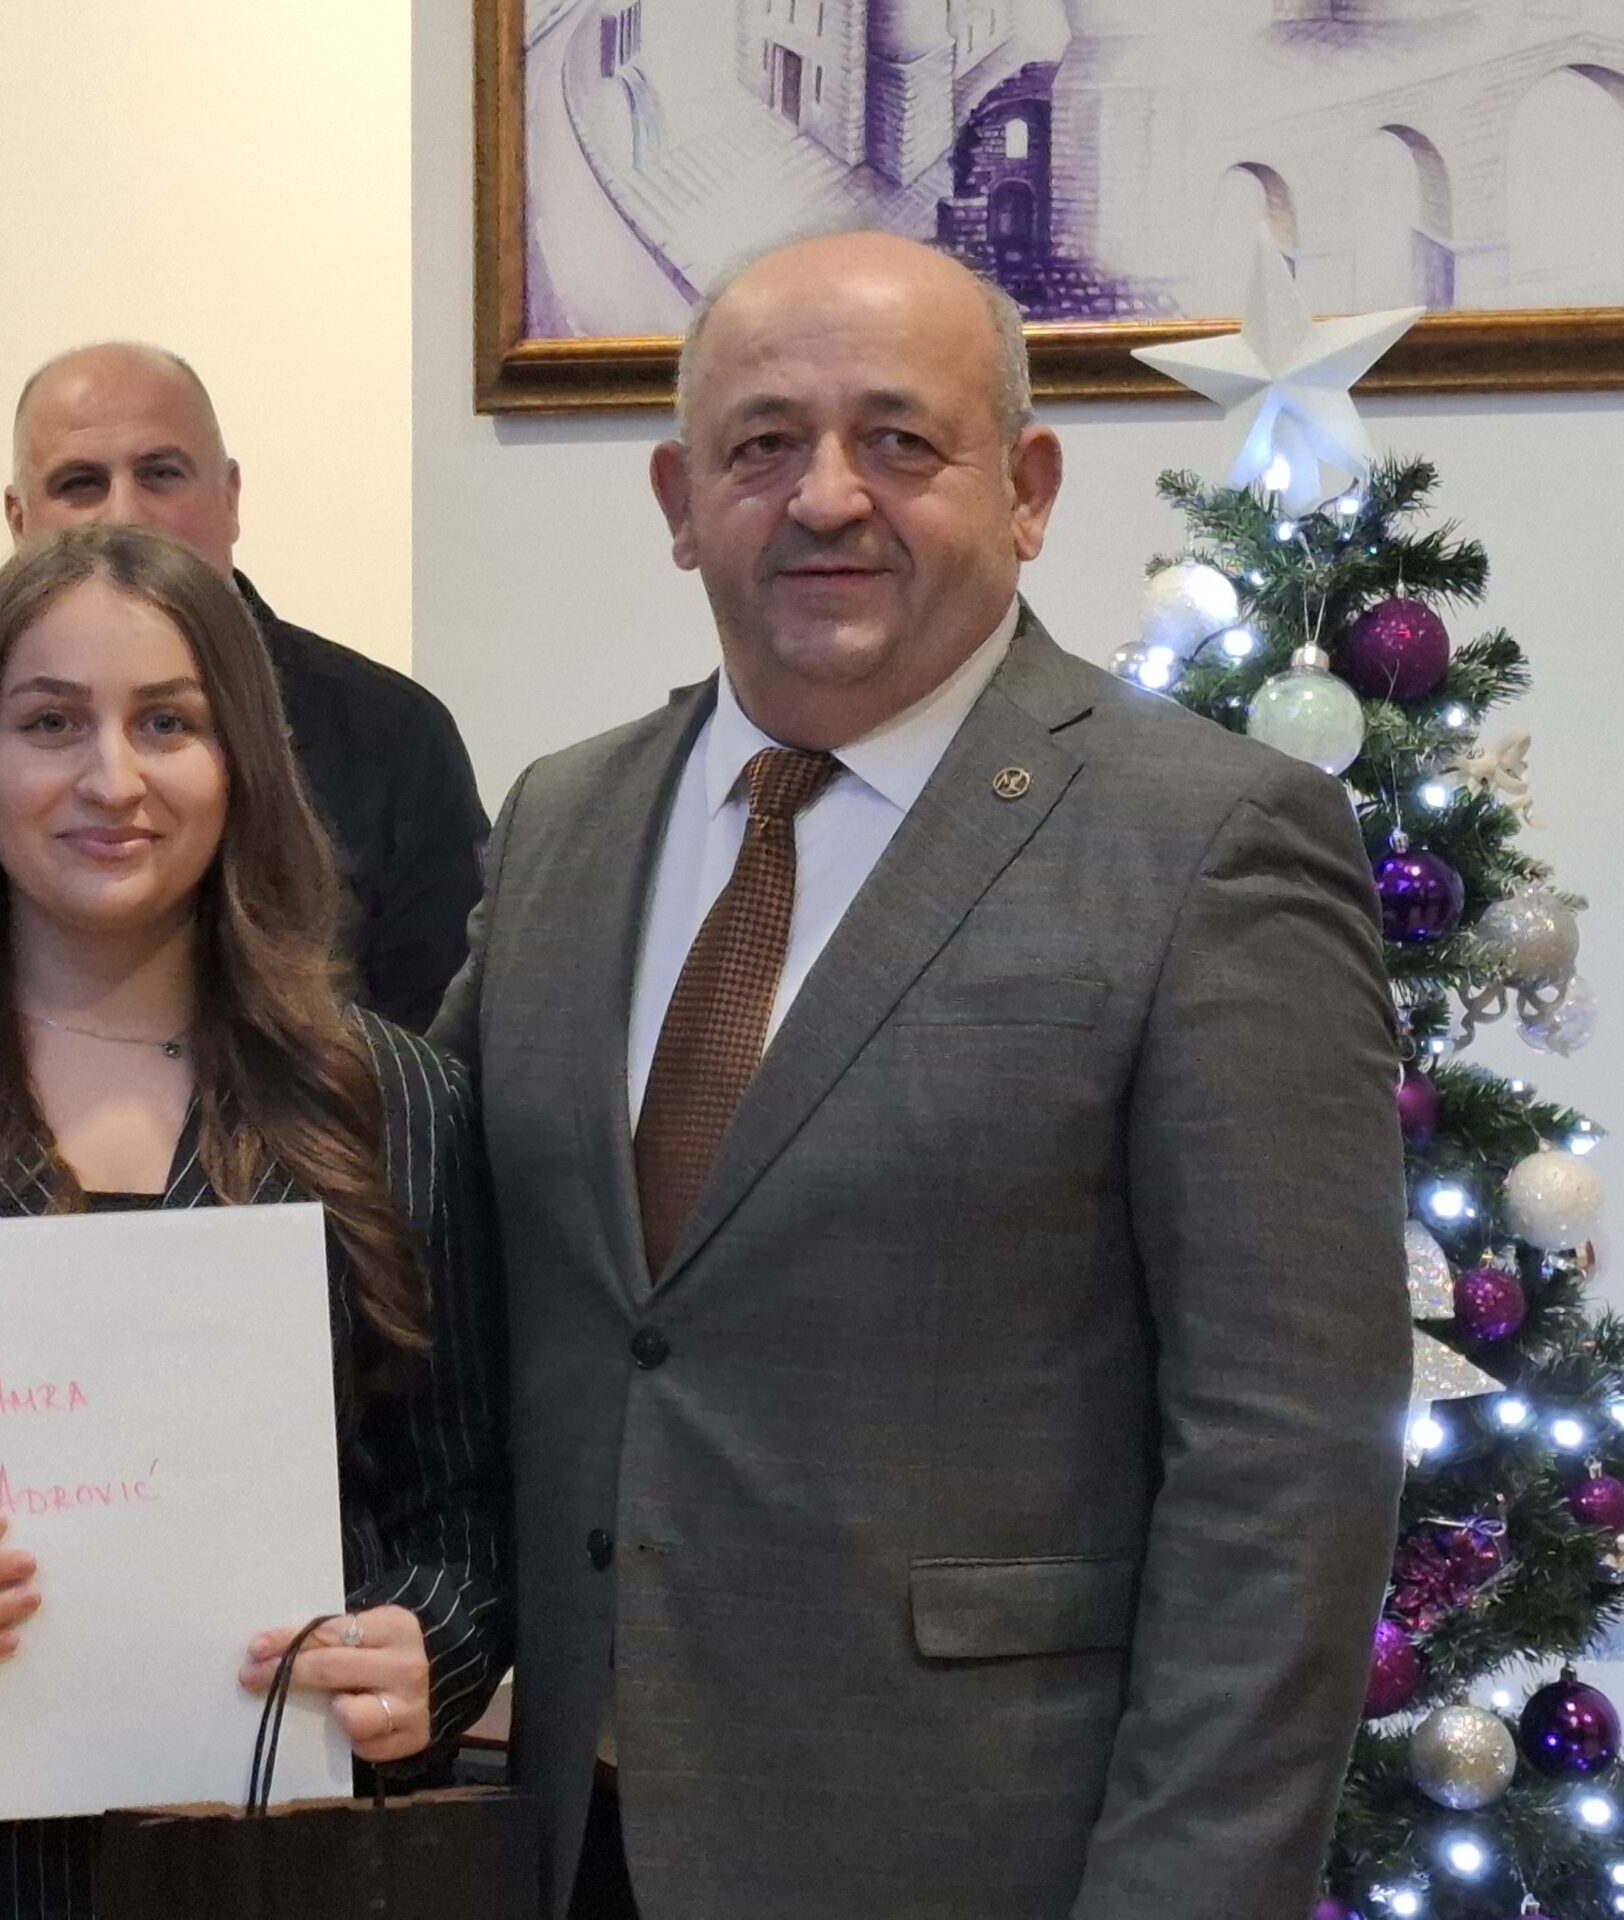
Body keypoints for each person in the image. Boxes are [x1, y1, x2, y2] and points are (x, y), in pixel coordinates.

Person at [430, 231, 1412, 1918]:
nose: (827, 497)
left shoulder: (1208, 844)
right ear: (679, 500)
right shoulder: (562, 823)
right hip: (570, 1846)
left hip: (980, 1856)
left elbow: (1287, 1466)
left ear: (1026, 490)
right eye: (762, 445)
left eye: (899, 440)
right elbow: (423, 1265)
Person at [0, 523, 508, 1920]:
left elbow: (465, 1510)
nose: (111, 778)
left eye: (167, 723)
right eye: (51, 722)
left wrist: (434, 1646)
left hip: (275, 1866)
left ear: (240, 761)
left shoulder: (395, 1104)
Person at [0, 341, 488, 1036]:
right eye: (80, 484)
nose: (124, 514)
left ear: (229, 497)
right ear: (18, 520)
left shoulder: (391, 735)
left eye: (160, 474)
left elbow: (444, 1053)